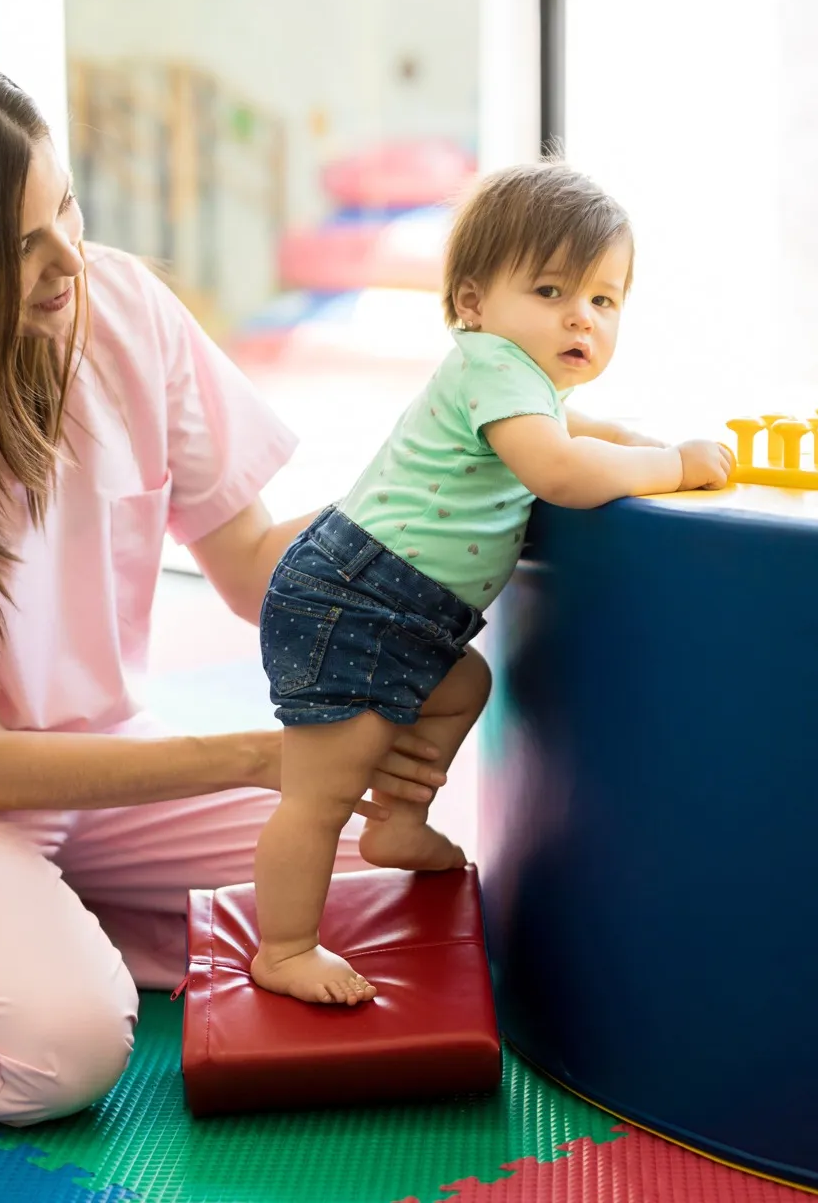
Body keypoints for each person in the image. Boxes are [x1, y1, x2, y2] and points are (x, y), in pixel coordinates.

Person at [0, 45, 446, 1124]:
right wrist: (267, 756)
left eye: (64, 206)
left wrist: (432, 501)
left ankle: (29, 920)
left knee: (407, 885)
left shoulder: (122, 308)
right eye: (17, 245)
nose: (67, 258)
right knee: (59, 1049)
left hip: (98, 760)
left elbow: (255, 569)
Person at [248, 162, 735, 1005]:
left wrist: (631, 437)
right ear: (473, 302)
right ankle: (284, 949)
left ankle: (400, 820)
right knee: (318, 794)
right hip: (356, 601)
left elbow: (574, 426)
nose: (581, 316)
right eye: (551, 291)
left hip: (403, 609)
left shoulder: (518, 382)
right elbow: (561, 471)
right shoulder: (494, 370)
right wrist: (674, 466)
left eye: (604, 299)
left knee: (463, 685)